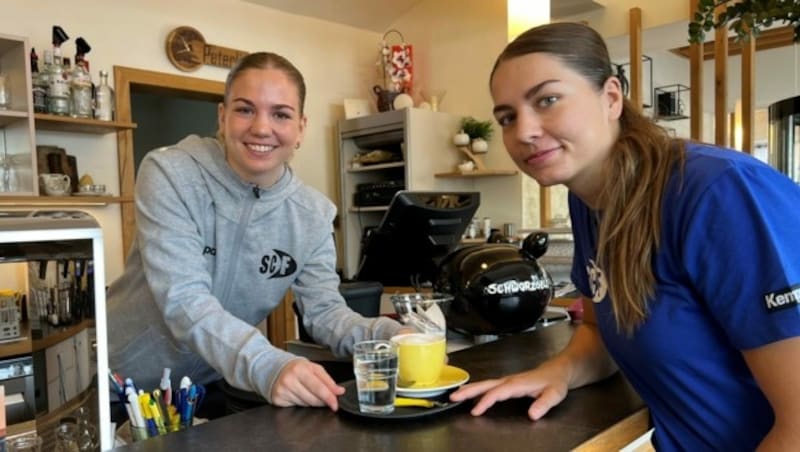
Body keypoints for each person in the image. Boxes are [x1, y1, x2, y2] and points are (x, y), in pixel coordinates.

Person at [449, 22, 800, 450]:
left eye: (548, 99)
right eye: (507, 117)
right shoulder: (589, 200)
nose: (523, 131)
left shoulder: (717, 192)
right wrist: (556, 373)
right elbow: (600, 332)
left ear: (611, 97)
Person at [106, 51, 409, 415]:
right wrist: (269, 365)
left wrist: (389, 336)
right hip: (126, 387)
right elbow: (184, 300)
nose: (262, 128)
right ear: (222, 116)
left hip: (208, 385)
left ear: (301, 127)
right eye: (245, 109)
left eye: (280, 114)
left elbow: (325, 313)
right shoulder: (170, 174)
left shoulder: (312, 215)